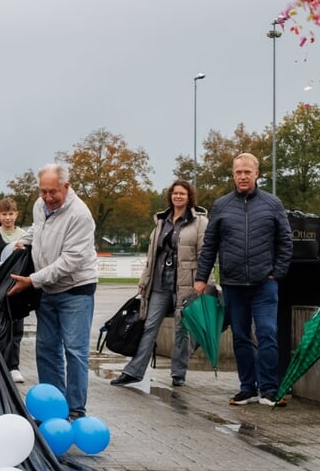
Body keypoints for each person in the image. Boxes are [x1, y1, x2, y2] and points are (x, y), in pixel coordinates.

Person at [196, 153, 293, 406]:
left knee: (267, 333)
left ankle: (270, 389)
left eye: (247, 172)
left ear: (257, 174)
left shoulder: (272, 204)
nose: (242, 176)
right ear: (233, 175)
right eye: (238, 172)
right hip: (233, 284)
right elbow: (209, 245)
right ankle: (247, 388)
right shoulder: (221, 206)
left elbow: (285, 241)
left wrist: (277, 272)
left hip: (264, 284)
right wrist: (201, 278)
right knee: (240, 337)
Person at [9, 164, 99, 418]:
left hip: (76, 289)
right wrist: (22, 241)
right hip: (47, 288)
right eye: (43, 191)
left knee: (74, 350)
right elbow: (39, 230)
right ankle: (53, 407)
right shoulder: (41, 206)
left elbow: (70, 261)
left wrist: (32, 280)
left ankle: (75, 410)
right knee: (46, 348)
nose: (48, 198)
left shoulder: (80, 216)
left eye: (53, 192)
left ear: (66, 187)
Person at [114, 181, 207, 389]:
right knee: (148, 326)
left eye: (182, 193)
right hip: (160, 281)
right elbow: (152, 255)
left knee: (183, 328)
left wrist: (204, 284)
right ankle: (133, 371)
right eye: (175, 193)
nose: (178, 197)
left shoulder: (200, 222)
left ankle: (178, 373)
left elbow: (205, 255)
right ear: (170, 196)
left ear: (189, 196)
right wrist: (144, 281)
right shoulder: (161, 220)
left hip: (186, 283)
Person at [0, 196, 31, 383]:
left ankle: (13, 366)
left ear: (16, 214)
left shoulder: (24, 236)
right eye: (4, 214)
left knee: (16, 330)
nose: (7, 218)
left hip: (18, 289)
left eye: (10, 214)